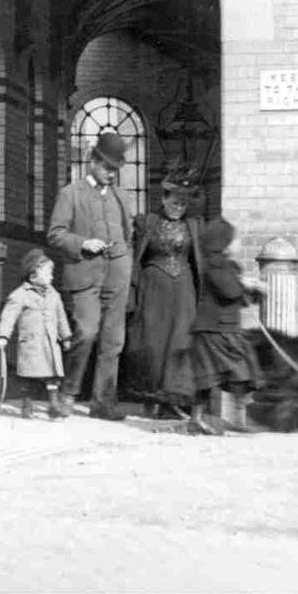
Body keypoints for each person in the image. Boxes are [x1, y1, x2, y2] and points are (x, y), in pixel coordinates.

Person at [45, 131, 137, 421]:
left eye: (115, 169)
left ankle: (103, 402)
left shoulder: (122, 197)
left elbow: (128, 234)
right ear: (92, 161)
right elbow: (55, 235)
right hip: (84, 274)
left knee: (114, 340)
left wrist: (125, 264)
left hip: (117, 275)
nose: (112, 174)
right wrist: (82, 243)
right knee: (86, 332)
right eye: (107, 167)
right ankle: (68, 393)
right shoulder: (70, 194)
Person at [122, 163, 204, 419]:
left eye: (183, 204)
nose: (179, 208)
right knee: (153, 342)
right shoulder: (148, 222)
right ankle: (150, 397)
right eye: (175, 202)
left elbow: (202, 258)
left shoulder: (195, 225)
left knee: (179, 341)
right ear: (164, 199)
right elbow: (134, 255)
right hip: (153, 290)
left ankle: (173, 400)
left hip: (184, 293)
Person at [185, 218, 267, 435]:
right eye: (234, 240)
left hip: (225, 329)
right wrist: (245, 284)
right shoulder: (213, 263)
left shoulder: (228, 266)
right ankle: (198, 419)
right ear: (222, 242)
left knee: (239, 374)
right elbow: (229, 291)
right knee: (211, 377)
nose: (238, 244)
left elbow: (238, 298)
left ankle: (236, 419)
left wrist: (255, 291)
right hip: (213, 330)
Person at [0, 247, 73, 420]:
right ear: (32, 276)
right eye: (47, 274)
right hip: (31, 345)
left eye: (51, 273)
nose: (51, 277)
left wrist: (66, 336)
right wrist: (3, 336)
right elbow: (8, 317)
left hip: (50, 344)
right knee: (30, 379)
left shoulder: (54, 294)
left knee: (53, 377)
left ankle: (53, 406)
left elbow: (61, 317)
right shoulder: (20, 295)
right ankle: (27, 406)